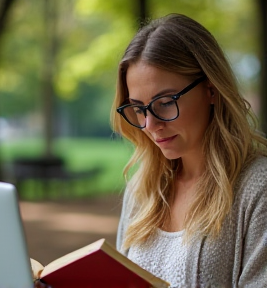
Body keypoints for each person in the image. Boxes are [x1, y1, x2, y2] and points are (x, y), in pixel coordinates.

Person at [112, 13, 267, 287]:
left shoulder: (258, 188)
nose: (151, 125)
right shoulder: (141, 190)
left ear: (211, 89)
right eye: (138, 109)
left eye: (166, 102)